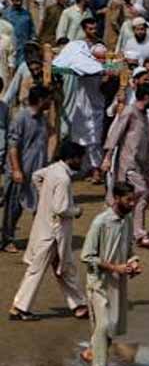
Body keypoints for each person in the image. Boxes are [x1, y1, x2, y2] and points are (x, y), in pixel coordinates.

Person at [8, 141, 88, 321]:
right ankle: (19, 307)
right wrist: (77, 211)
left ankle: (79, 305)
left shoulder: (53, 169)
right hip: (53, 235)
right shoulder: (63, 178)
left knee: (65, 269)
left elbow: (36, 176)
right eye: (79, 158)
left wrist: (44, 194)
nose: (81, 162)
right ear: (72, 158)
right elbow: (61, 209)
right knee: (38, 270)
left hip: (47, 229)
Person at [80, 181, 142, 366]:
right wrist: (114, 267)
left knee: (111, 326)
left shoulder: (127, 220)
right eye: (128, 200)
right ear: (116, 199)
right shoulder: (101, 222)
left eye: (133, 200)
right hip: (98, 283)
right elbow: (86, 256)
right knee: (104, 325)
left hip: (118, 282)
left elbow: (129, 249)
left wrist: (133, 263)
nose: (132, 204)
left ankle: (91, 351)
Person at [102, 82, 149, 248]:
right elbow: (115, 134)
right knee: (141, 194)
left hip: (140, 165)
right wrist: (107, 158)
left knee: (125, 199)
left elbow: (143, 139)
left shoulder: (143, 116)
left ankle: (118, 230)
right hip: (128, 165)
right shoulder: (129, 112)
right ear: (146, 97)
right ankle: (139, 234)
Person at [2, 85, 52, 253]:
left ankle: (39, 239)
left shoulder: (43, 119)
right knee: (13, 208)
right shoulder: (21, 118)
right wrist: (16, 169)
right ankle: (7, 239)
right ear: (40, 100)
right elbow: (13, 145)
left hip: (37, 172)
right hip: (20, 171)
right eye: (48, 99)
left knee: (40, 207)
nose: (50, 102)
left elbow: (52, 135)